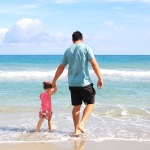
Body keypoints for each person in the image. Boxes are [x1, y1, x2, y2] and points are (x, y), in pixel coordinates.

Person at [52, 31, 103, 135]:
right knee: (91, 103)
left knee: (76, 107)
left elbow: (61, 67)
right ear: (82, 39)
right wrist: (100, 78)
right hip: (84, 83)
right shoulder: (86, 48)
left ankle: (76, 130)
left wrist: (54, 80)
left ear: (72, 40)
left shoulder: (68, 51)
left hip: (72, 83)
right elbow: (94, 64)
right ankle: (82, 124)